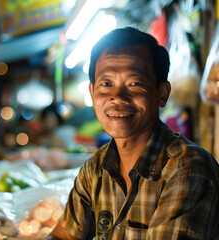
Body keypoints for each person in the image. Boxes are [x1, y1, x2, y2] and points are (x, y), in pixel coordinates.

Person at [47, 27, 219, 239]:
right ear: (92, 93)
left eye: (134, 83)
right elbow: (65, 235)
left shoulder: (187, 169)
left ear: (162, 93)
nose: (117, 97)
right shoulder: (95, 169)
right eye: (106, 84)